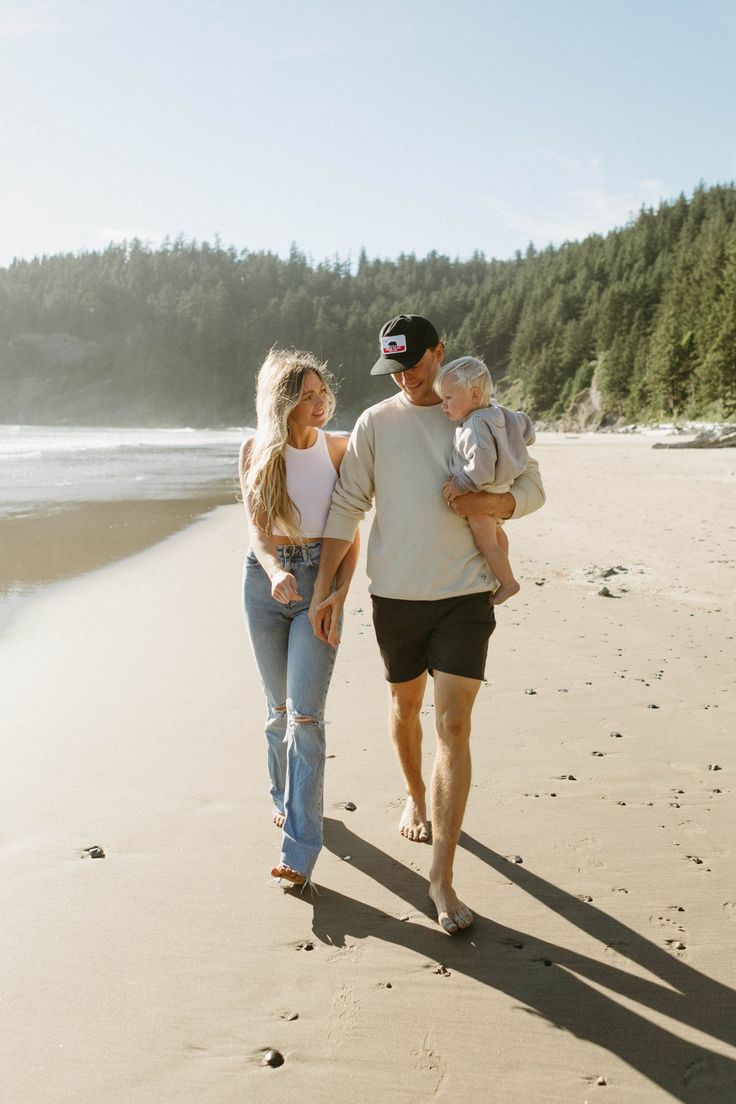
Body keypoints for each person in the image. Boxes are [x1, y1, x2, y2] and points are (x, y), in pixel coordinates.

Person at [309, 315, 544, 933]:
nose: (408, 378)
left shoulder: (474, 410)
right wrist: (327, 590)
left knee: (455, 724)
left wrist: (493, 504)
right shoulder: (376, 423)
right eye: (397, 369)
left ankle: (441, 877)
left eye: (415, 364)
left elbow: (533, 487)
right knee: (405, 705)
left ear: (440, 353)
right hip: (396, 595)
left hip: (465, 594)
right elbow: (347, 504)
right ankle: (416, 793)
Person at [239, 348, 359, 887]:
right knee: (278, 708)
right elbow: (258, 535)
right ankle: (282, 797)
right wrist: (273, 572)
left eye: (321, 392)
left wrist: (335, 594)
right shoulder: (256, 451)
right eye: (307, 394)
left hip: (320, 580)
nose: (320, 402)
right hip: (265, 585)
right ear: (283, 402)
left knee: (305, 718)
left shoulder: (340, 450)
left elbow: (350, 532)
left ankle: (300, 850)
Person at [435, 355, 535, 605]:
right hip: (501, 485)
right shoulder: (498, 413)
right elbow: (526, 427)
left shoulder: (474, 426)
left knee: (486, 542)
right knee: (496, 532)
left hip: (482, 489)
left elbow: (481, 469)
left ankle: (509, 583)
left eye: (448, 398)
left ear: (474, 393)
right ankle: (502, 574)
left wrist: (460, 485)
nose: (443, 405)